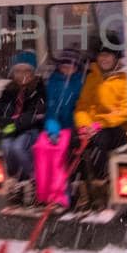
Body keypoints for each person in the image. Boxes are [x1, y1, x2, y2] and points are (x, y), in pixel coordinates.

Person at [0, 49, 47, 199]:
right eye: (18, 71)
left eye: (27, 70)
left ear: (33, 72)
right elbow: (1, 106)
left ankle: (33, 179)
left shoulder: (39, 89)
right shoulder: (9, 90)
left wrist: (17, 123)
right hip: (12, 128)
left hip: (31, 129)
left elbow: (35, 112)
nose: (22, 75)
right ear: (13, 73)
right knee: (6, 145)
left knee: (18, 147)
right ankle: (15, 178)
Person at [33, 50, 86, 208]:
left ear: (77, 68)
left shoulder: (81, 83)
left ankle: (62, 193)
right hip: (58, 127)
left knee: (59, 152)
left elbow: (82, 107)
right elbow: (51, 109)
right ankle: (44, 192)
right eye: (63, 66)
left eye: (70, 66)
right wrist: (52, 129)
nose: (67, 69)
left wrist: (78, 127)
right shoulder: (53, 83)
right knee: (41, 147)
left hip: (74, 126)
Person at [74, 39, 127, 184]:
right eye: (101, 55)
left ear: (116, 57)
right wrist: (84, 126)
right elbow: (82, 106)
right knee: (72, 142)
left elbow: (126, 110)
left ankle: (101, 183)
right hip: (93, 127)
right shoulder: (92, 78)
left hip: (118, 128)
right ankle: (78, 186)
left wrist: (99, 125)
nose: (104, 59)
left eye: (108, 55)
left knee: (99, 142)